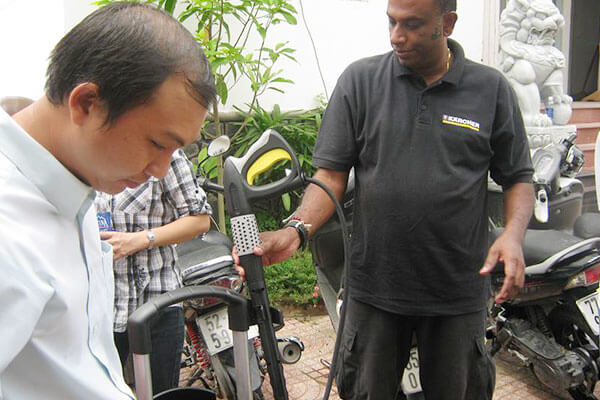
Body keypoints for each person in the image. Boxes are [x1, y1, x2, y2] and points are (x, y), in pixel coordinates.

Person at [240, 0, 534, 399]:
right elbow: (330, 176)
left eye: (412, 25)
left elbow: (518, 178)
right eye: (392, 22)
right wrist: (296, 231)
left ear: (447, 23)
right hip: (375, 290)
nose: (397, 36)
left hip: (456, 292)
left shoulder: (490, 89)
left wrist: (513, 235)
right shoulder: (361, 82)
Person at [0, 2, 216, 399]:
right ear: (87, 104)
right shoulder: (9, 226)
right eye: (158, 143)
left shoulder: (75, 182)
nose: (161, 170)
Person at [95, 149, 212, 393]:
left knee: (160, 391)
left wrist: (140, 239)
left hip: (157, 298)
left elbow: (199, 220)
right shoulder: (88, 152)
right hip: (100, 305)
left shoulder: (165, 153)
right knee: (101, 390)